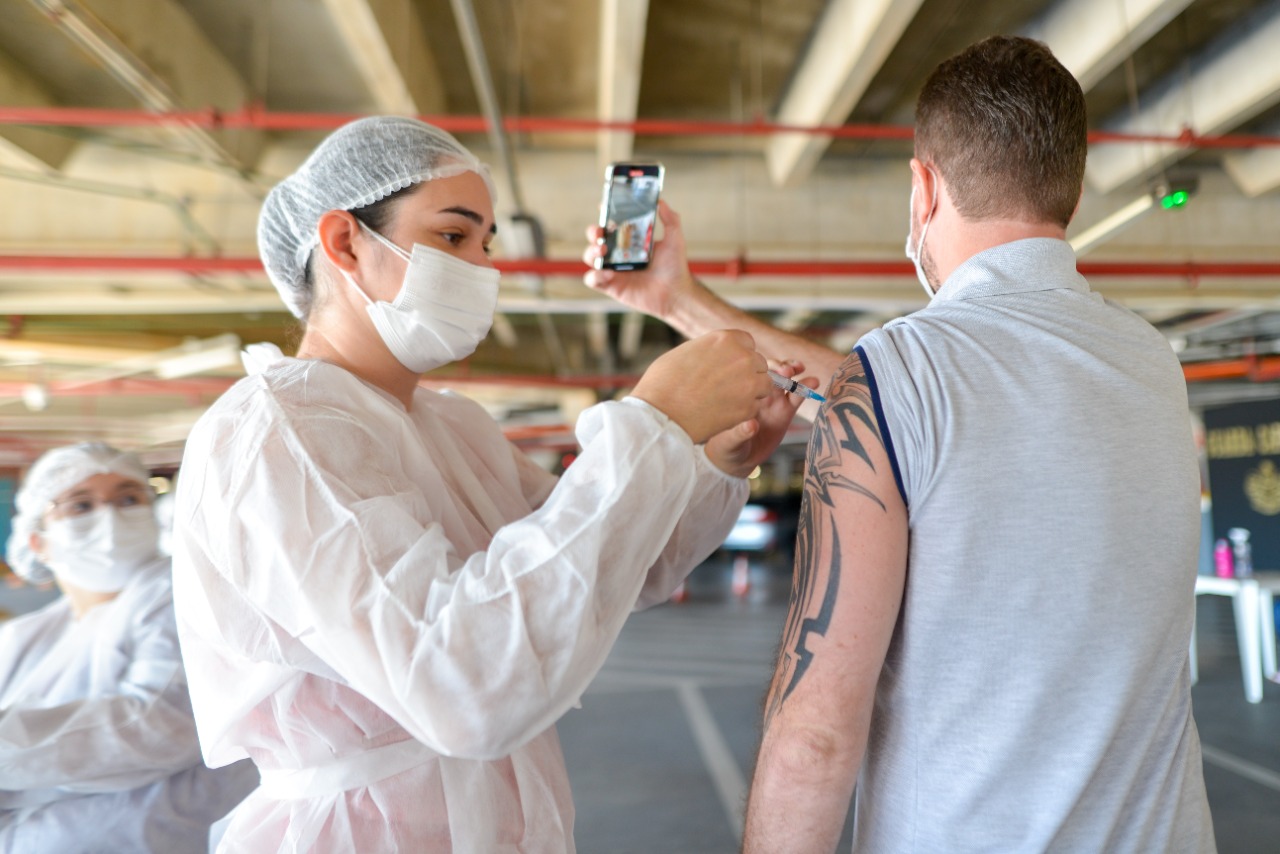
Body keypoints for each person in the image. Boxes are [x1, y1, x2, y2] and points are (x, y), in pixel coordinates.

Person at [585, 36, 1215, 853]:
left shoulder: (899, 377)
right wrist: (677, 297)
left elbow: (816, 735)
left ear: (923, 187)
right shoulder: (1151, 362)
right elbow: (907, 404)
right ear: (1074, 187)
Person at [171, 115, 807, 852]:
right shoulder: (280, 434)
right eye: (453, 236)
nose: (481, 267)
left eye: (486, 243)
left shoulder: (450, 427)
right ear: (345, 243)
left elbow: (619, 565)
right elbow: (459, 685)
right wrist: (652, 425)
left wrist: (712, 464)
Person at [0, 442, 257, 853]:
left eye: (128, 498)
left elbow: (159, 725)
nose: (111, 517)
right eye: (81, 505)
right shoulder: (25, 636)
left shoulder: (177, 594)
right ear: (37, 541)